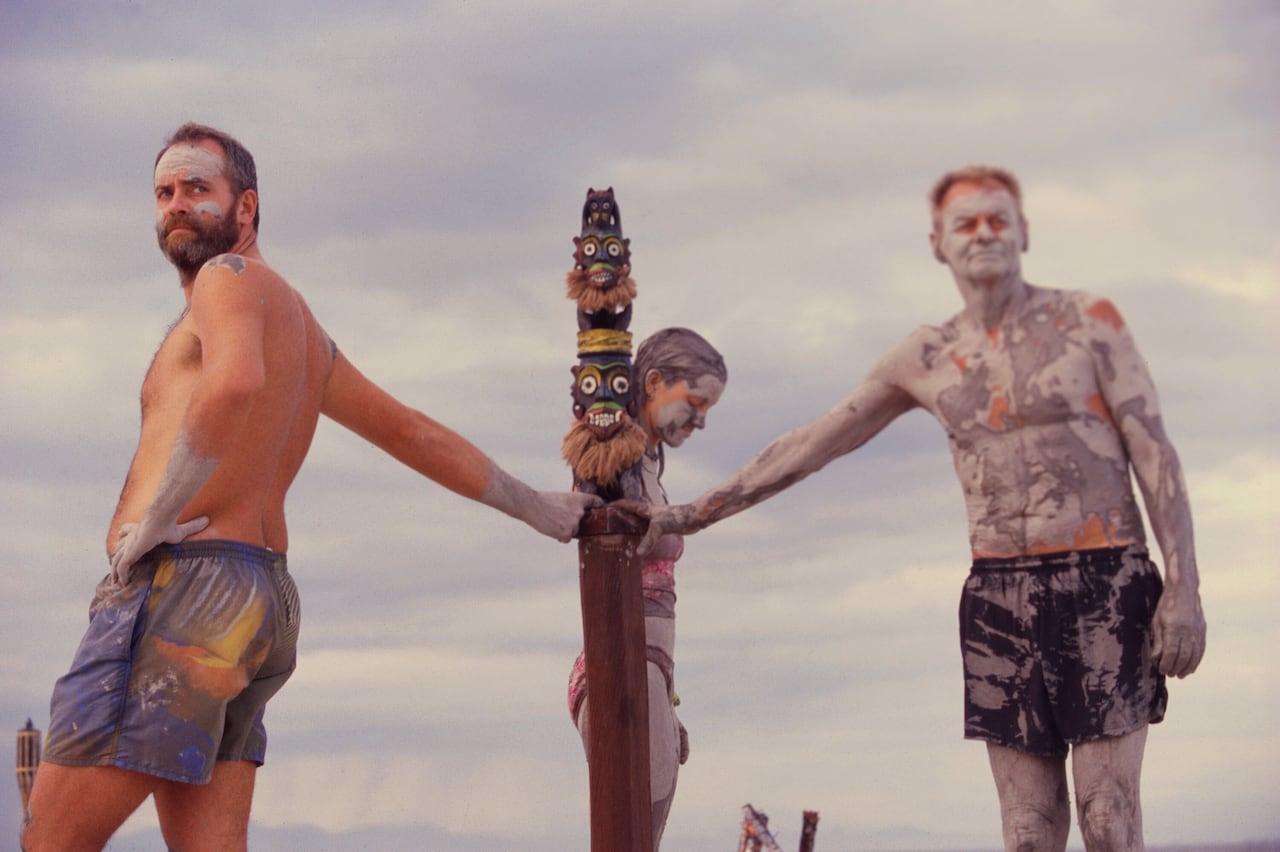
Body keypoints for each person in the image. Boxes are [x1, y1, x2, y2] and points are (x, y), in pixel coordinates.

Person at [22, 122, 601, 852]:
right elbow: (410, 433)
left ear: (247, 207)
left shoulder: (226, 279)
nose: (177, 205)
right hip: (259, 601)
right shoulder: (300, 328)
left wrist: (158, 516)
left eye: (197, 187)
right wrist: (540, 509)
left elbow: (234, 383)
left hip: (184, 592)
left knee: (50, 841)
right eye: (164, 192)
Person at [623, 167, 1206, 850]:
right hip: (1000, 593)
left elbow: (1154, 451)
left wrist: (1184, 588)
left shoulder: (1088, 325)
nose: (983, 234)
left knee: (1106, 817)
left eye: (998, 219)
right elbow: (809, 445)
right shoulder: (927, 356)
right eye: (966, 223)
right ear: (938, 243)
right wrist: (689, 514)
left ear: (1024, 232)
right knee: (1027, 831)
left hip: (1103, 576)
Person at [567, 327, 727, 849]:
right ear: (654, 382)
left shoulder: (651, 462)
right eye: (695, 404)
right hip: (623, 665)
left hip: (652, 671)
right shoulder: (616, 458)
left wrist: (665, 700)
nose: (700, 421)